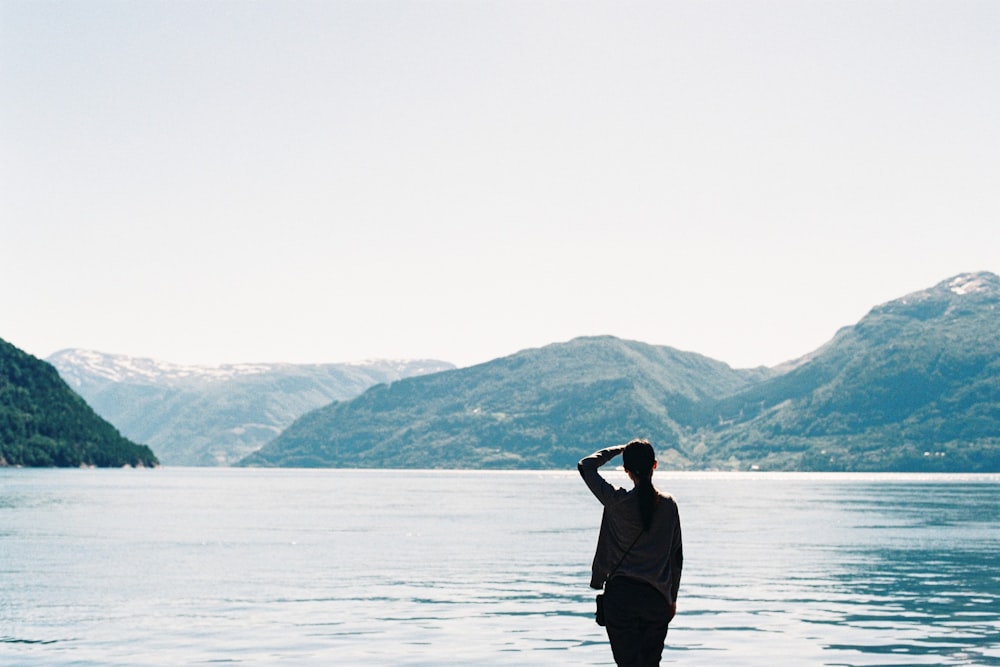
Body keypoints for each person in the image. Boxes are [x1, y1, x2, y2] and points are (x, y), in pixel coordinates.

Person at [578, 439, 683, 667]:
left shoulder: (616, 501)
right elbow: (676, 558)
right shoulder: (669, 505)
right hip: (656, 600)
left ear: (626, 470)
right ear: (654, 465)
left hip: (621, 598)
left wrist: (618, 450)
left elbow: (585, 466)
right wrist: (671, 599)